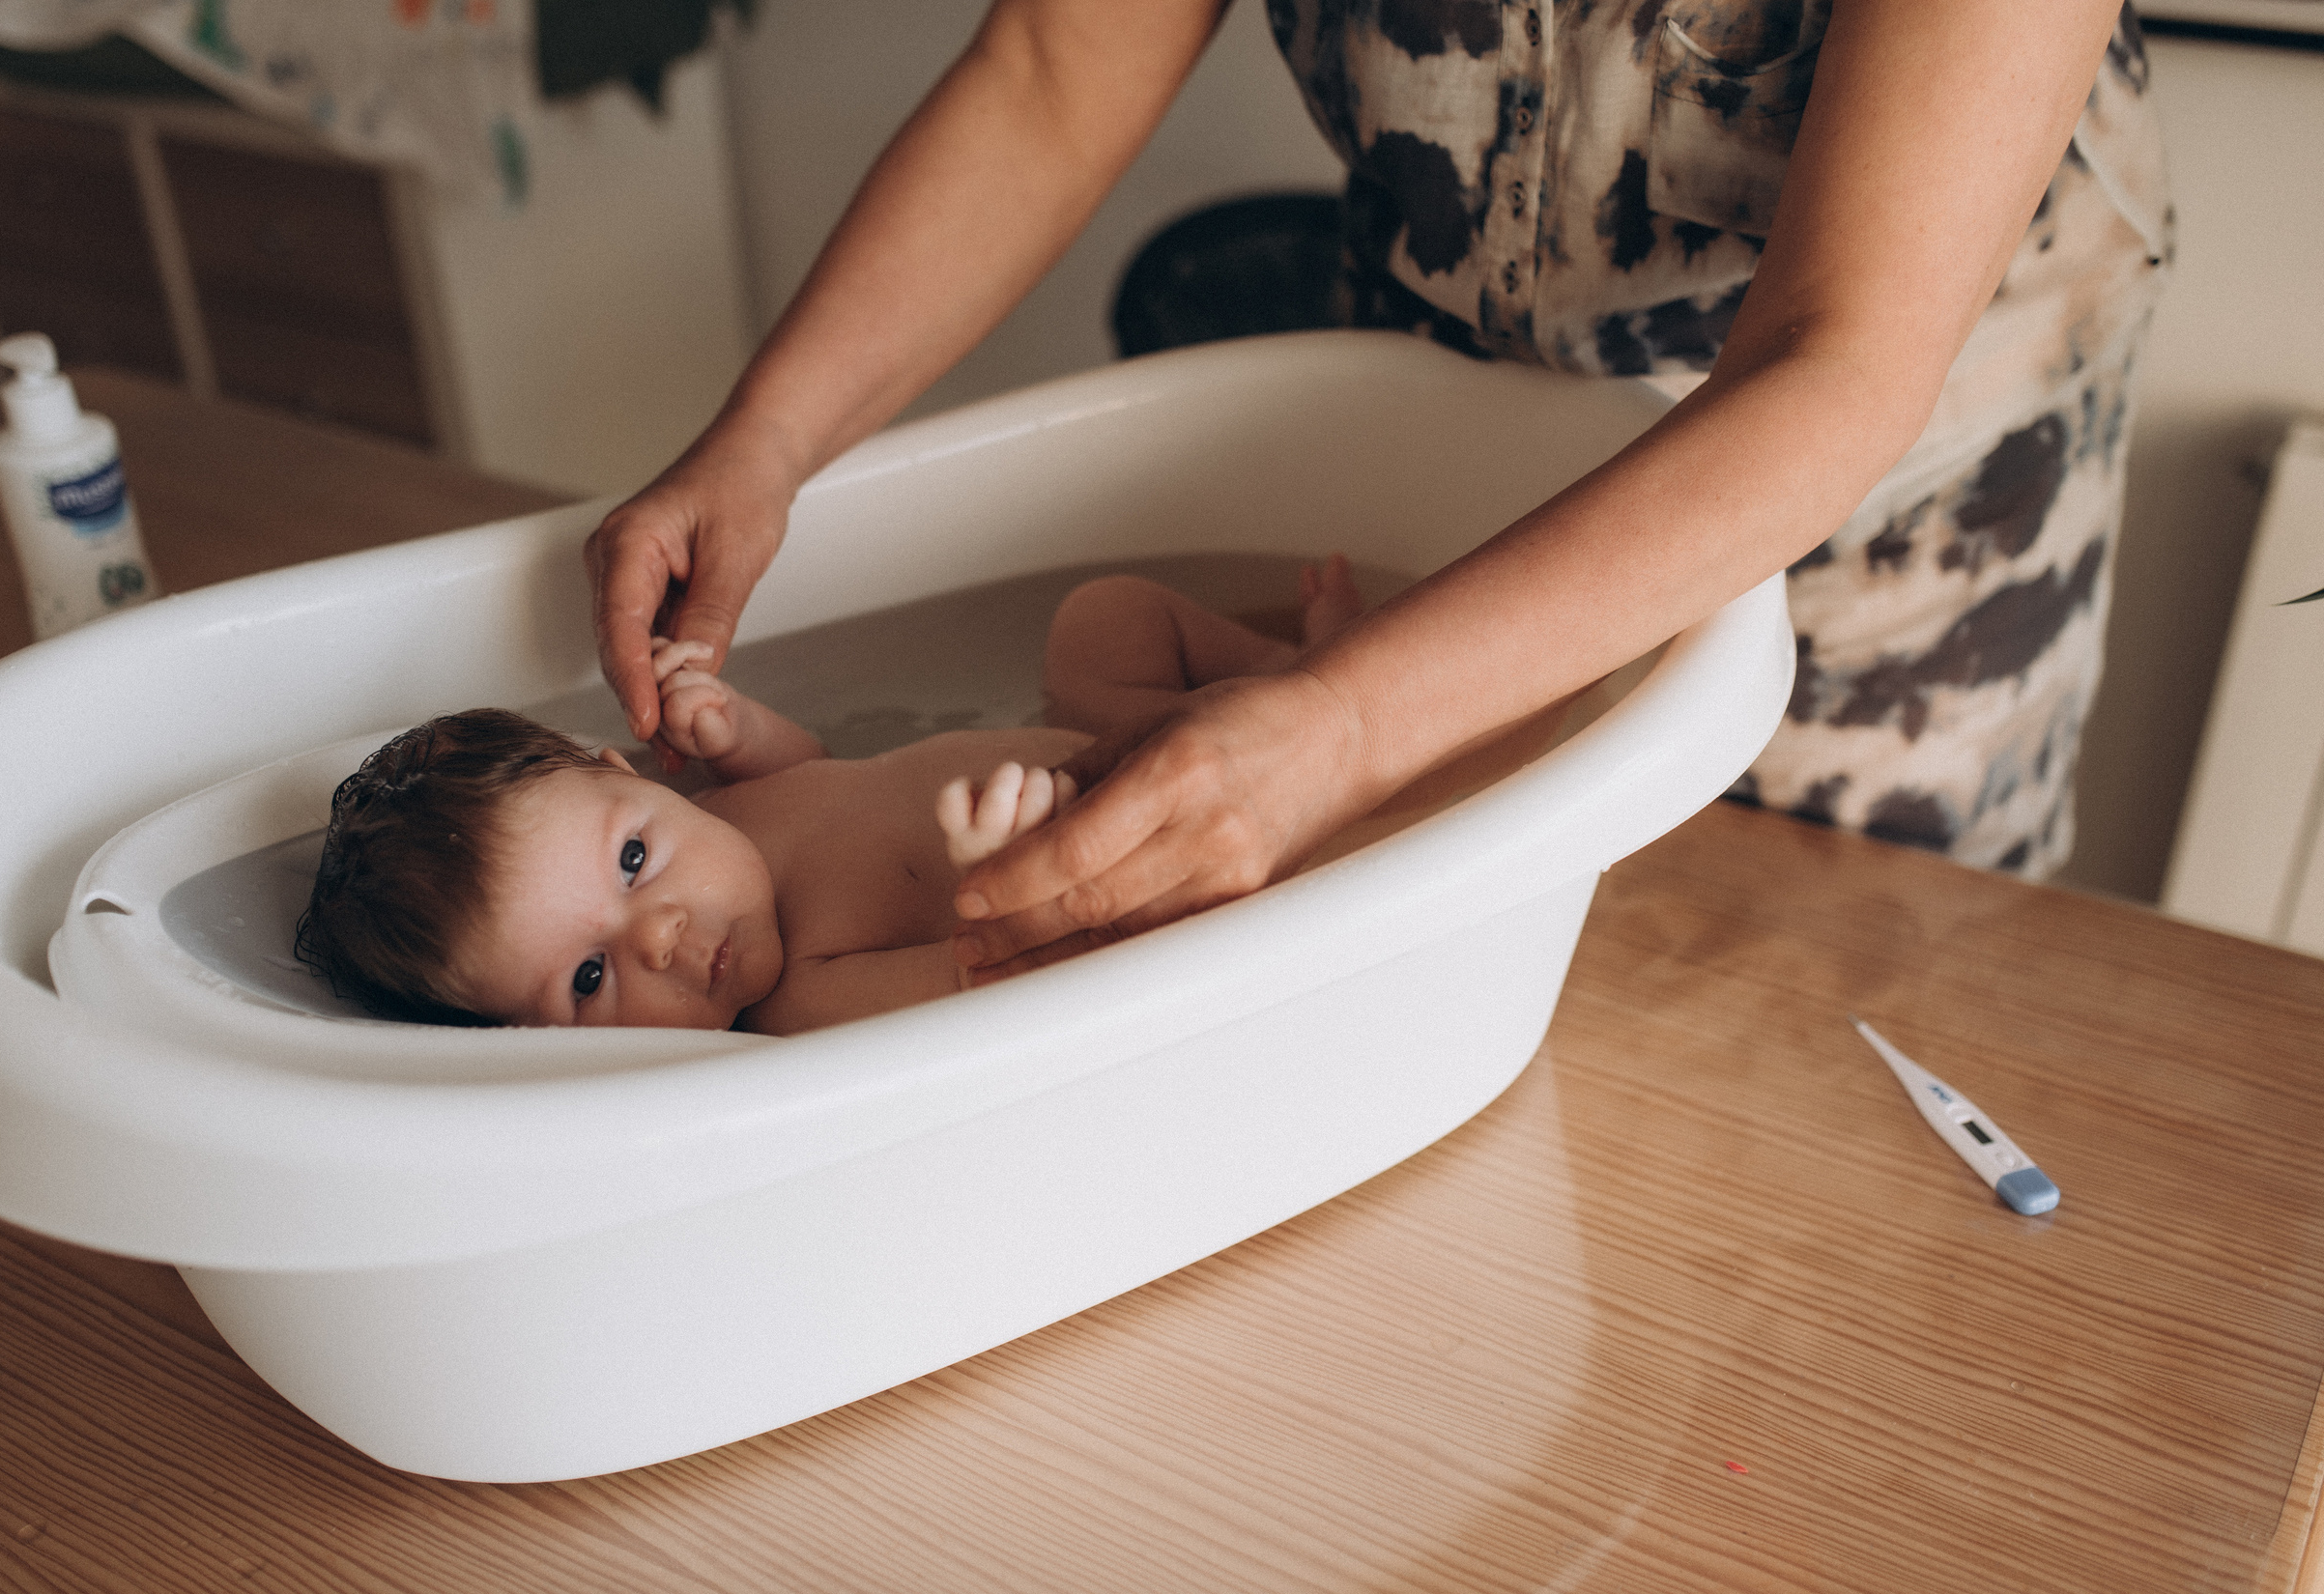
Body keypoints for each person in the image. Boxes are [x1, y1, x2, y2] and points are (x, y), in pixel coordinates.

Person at [583, 0, 2169, 985]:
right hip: (1448, 445)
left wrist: (1342, 725)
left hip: (1902, 538)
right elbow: (1061, 64)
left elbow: (1839, 357)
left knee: (1826, 1019)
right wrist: (769, 439)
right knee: (1431, 959)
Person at [296, 558, 1370, 1033]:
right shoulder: (797, 992)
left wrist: (741, 731)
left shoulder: (721, 820)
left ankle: (1293, 672)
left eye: (631, 860)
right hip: (1130, 844)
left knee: (1103, 614)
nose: (661, 938)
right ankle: (1306, 722)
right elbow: (990, 979)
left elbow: (819, 771)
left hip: (1101, 734)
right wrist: (1016, 864)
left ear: (624, 770)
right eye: (586, 978)